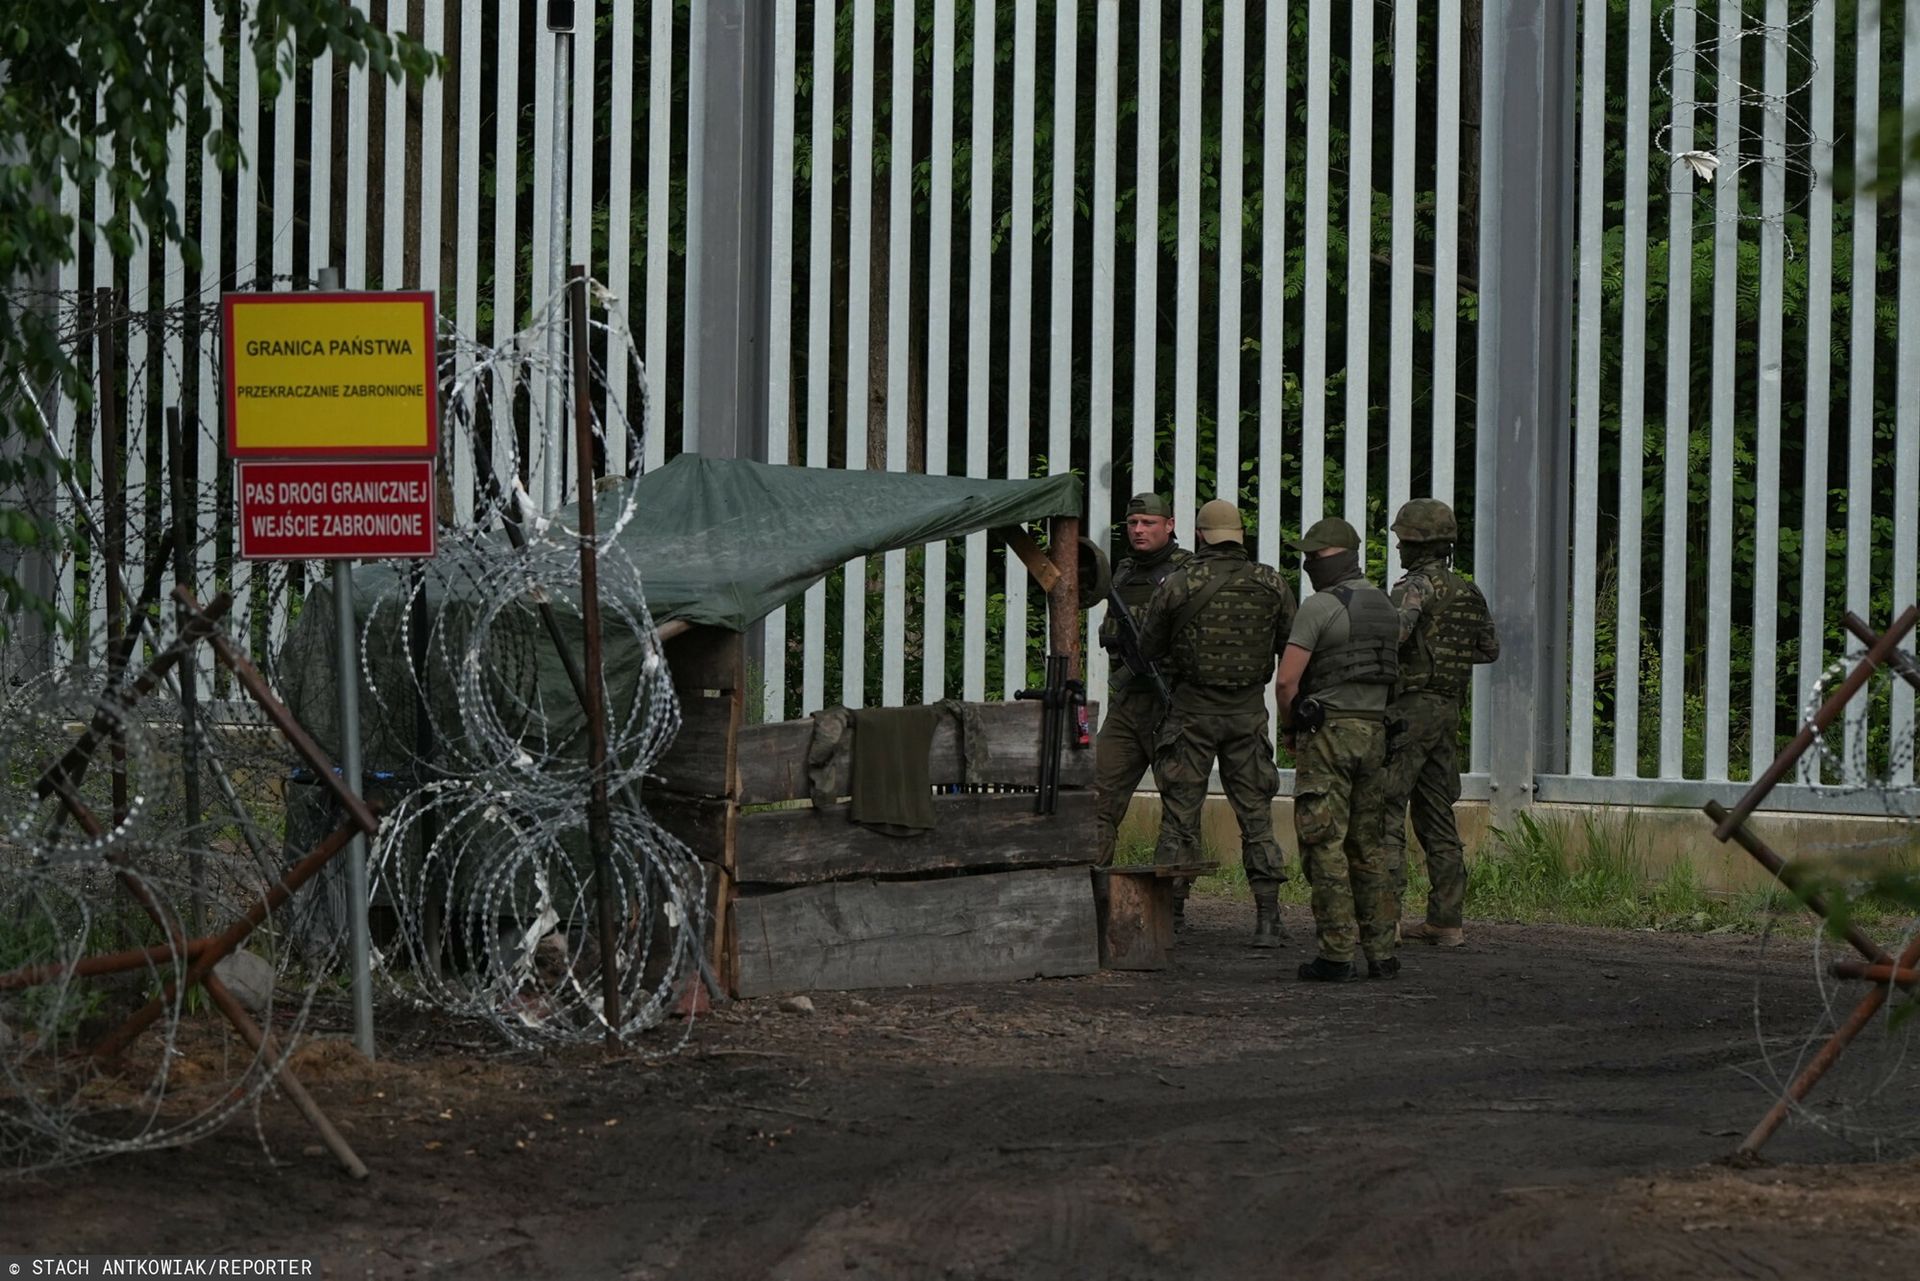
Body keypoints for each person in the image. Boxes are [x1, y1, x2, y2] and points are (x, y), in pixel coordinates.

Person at [1137, 499, 1296, 943]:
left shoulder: (1179, 583)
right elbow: (1292, 646)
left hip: (1190, 714)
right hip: (1247, 714)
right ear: (1239, 535)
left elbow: (1148, 648)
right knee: (1257, 817)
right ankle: (1268, 920)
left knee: (1179, 816)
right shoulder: (1272, 583)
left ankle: (1171, 916)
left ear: (1201, 534)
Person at [1274, 517, 1401, 981]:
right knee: (1368, 846)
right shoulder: (1387, 606)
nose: (1309, 564)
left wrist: (1290, 728)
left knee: (1323, 843)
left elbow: (1287, 681)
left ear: (1342, 556)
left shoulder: (1319, 606)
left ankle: (1336, 954)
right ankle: (1382, 952)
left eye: (1317, 556)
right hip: (1375, 734)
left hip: (1327, 735)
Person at [1381, 498, 1500, 947]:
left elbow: (1395, 635)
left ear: (1416, 544)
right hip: (1447, 712)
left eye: (1402, 541)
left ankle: (1384, 917)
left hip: (1409, 710)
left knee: (1386, 808)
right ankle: (1446, 920)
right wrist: (1446, 656)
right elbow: (1489, 649)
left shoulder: (1414, 588)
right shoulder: (1469, 592)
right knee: (1436, 815)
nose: (1398, 548)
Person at [1094, 494, 1192, 873]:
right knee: (1096, 796)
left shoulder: (1188, 571)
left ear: (1169, 525)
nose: (1138, 530)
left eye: (1148, 523)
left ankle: (1174, 899)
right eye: (1132, 522)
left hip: (1171, 704)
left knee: (1179, 805)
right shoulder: (1122, 571)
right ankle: (1092, 882)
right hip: (1128, 703)